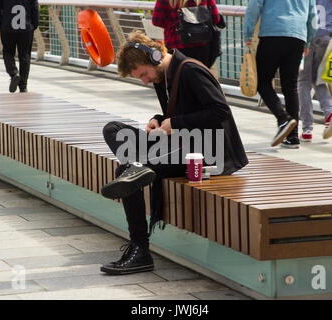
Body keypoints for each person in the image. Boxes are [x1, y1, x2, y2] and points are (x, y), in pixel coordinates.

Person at [99, 30, 248, 275]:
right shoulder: (163, 78)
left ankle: (141, 250)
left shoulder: (190, 70)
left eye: (144, 74)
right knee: (113, 129)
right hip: (182, 145)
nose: (145, 81)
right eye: (141, 78)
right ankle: (139, 167)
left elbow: (220, 111)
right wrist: (158, 120)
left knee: (124, 170)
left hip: (207, 154)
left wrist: (176, 123)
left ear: (155, 57)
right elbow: (177, 112)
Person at [243, 0, 318, 149]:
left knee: (262, 81)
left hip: (272, 34)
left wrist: (248, 34)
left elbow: (253, 7)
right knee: (290, 87)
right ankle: (292, 137)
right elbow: (313, 16)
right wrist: (308, 41)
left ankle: (283, 119)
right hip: (297, 37)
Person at [298, 0, 332, 142]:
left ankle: (307, 129)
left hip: (305, 34)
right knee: (318, 78)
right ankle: (329, 112)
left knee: (303, 81)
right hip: (326, 34)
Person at [152, 0, 222, 68]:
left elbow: (156, 21)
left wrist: (173, 27)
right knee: (201, 75)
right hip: (202, 43)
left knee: (179, 76)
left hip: (176, 46)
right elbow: (216, 19)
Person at [0, 0, 39, 93]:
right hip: (26, 27)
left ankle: (14, 74)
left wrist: (0, 25)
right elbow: (35, 8)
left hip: (7, 26)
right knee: (25, 55)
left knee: (8, 52)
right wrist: (34, 25)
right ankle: (23, 86)